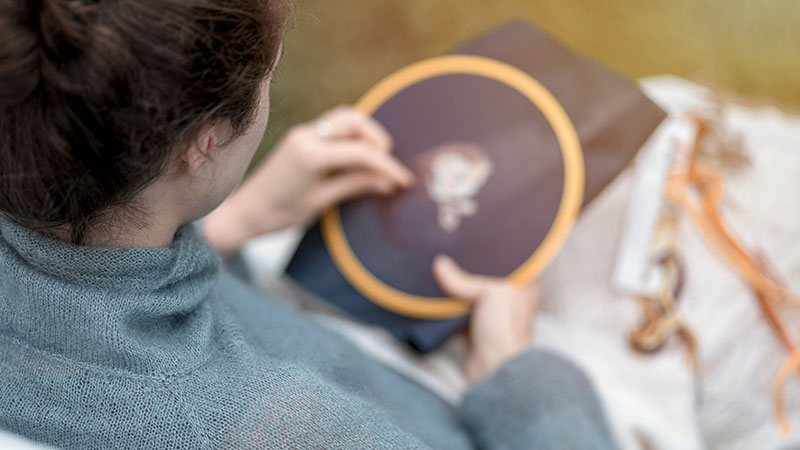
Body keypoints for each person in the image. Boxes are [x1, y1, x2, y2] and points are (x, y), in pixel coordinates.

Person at [0, 0, 619, 448]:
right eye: (269, 74)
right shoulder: (308, 430)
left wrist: (238, 220)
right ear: (203, 141)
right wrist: (525, 384)